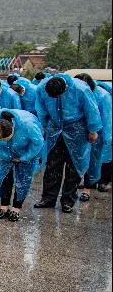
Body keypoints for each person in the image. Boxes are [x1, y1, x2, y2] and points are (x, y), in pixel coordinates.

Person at [33, 75, 102, 212]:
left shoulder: (81, 89)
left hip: (77, 128)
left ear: (65, 88)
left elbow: (91, 110)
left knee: (74, 166)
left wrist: (93, 130)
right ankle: (48, 198)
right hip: (55, 128)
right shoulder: (42, 88)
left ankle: (68, 200)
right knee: (52, 164)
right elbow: (41, 107)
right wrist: (44, 125)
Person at [0, 109, 45, 221]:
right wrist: (5, 154)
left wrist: (24, 157)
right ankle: (4, 207)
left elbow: (38, 143)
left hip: (27, 151)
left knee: (23, 179)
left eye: (6, 138)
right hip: (5, 152)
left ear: (12, 130)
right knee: (4, 177)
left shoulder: (28, 125)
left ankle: (16, 208)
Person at [72, 74, 112, 200]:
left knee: (94, 161)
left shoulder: (103, 96)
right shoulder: (77, 93)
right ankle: (84, 184)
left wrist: (107, 138)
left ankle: (88, 188)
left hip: (98, 134)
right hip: (81, 132)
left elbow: (107, 119)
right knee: (80, 160)